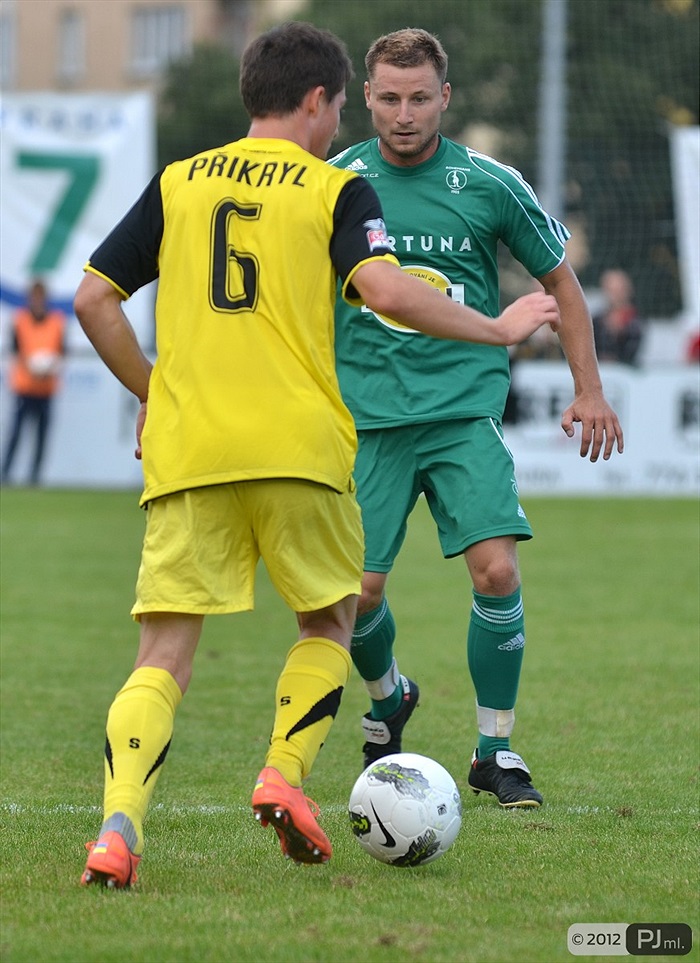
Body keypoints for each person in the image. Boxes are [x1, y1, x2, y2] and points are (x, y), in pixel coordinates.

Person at [73, 21, 560, 888]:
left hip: (190, 449)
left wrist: (152, 391)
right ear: (316, 101)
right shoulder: (334, 188)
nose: (346, 125)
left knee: (163, 657)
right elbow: (382, 289)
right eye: (344, 106)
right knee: (332, 622)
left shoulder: (180, 182)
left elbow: (93, 300)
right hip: (300, 446)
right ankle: (283, 775)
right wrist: (496, 326)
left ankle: (117, 827)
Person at [329, 28, 624, 808]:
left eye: (419, 98)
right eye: (389, 98)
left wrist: (588, 389)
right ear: (366, 98)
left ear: (445, 98)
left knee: (496, 569)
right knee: (355, 594)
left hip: (463, 411)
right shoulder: (332, 182)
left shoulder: (488, 183)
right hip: (366, 420)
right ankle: (390, 697)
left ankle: (496, 748)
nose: (403, 113)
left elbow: (562, 283)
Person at [1, 279, 66, 485]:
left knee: (41, 436)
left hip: (46, 388)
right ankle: (5, 474)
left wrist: (51, 366)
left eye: (41, 298)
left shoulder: (57, 321)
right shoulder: (20, 320)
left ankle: (35, 478)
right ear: (29, 299)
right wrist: (31, 367)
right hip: (24, 387)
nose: (37, 302)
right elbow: (16, 350)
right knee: (16, 434)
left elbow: (62, 352)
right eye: (34, 298)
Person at [592, 268, 643, 365]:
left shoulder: (635, 322)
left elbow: (631, 351)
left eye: (618, 290)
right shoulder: (597, 320)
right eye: (610, 290)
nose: (614, 295)